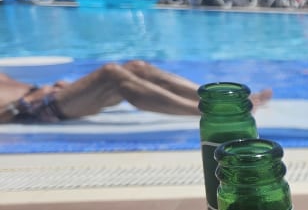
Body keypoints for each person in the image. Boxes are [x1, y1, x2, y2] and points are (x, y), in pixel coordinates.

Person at [0, 61, 272, 124]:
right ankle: (208, 111)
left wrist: (48, 88)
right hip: (35, 110)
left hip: (47, 95)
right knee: (111, 73)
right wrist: (26, 101)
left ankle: (222, 98)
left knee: (137, 67)